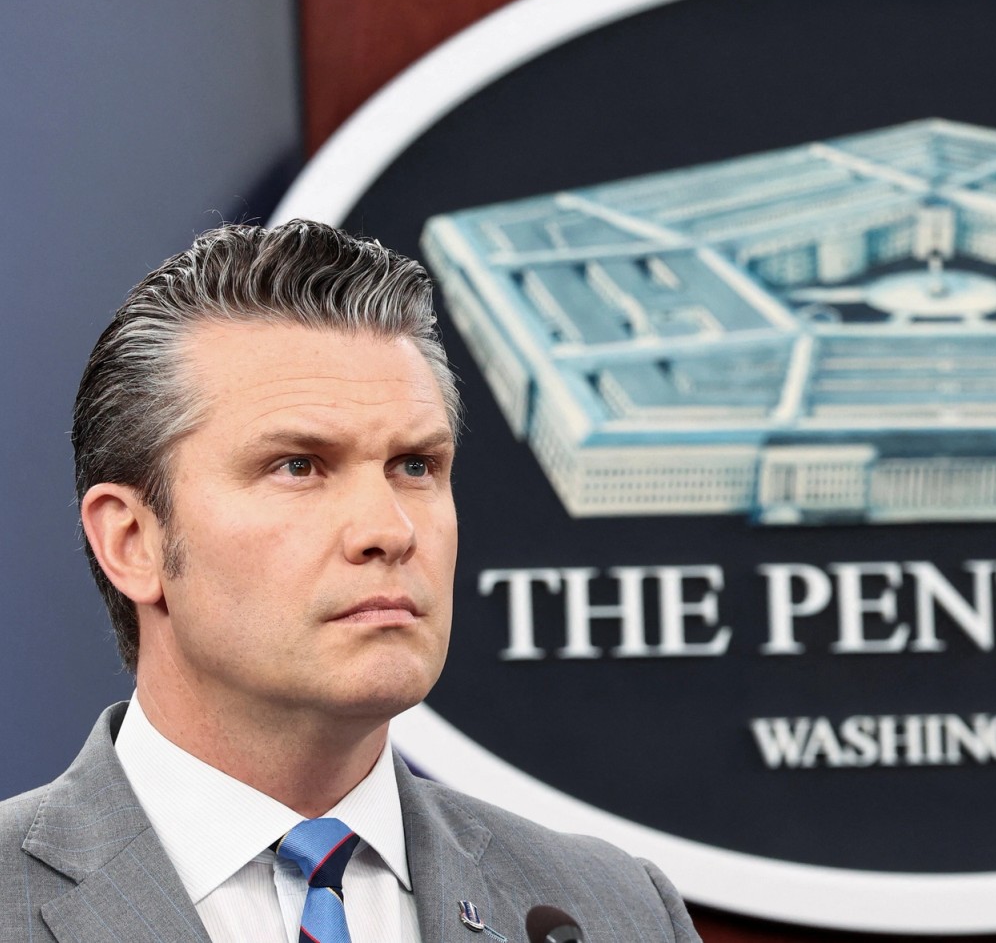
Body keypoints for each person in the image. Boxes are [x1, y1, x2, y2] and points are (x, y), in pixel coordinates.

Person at [0, 220, 700, 942]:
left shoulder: (619, 912)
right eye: (298, 466)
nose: (390, 530)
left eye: (415, 466)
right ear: (133, 542)